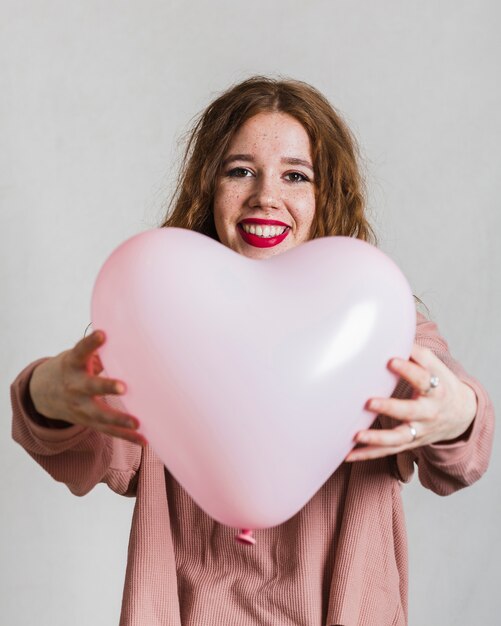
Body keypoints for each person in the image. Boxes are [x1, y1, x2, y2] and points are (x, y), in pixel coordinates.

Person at [11, 76, 494, 626]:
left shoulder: (373, 323)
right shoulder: (161, 322)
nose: (267, 195)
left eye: (296, 175)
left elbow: (456, 443)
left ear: (325, 195)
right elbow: (92, 440)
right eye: (239, 170)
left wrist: (458, 412)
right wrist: (43, 392)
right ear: (208, 188)